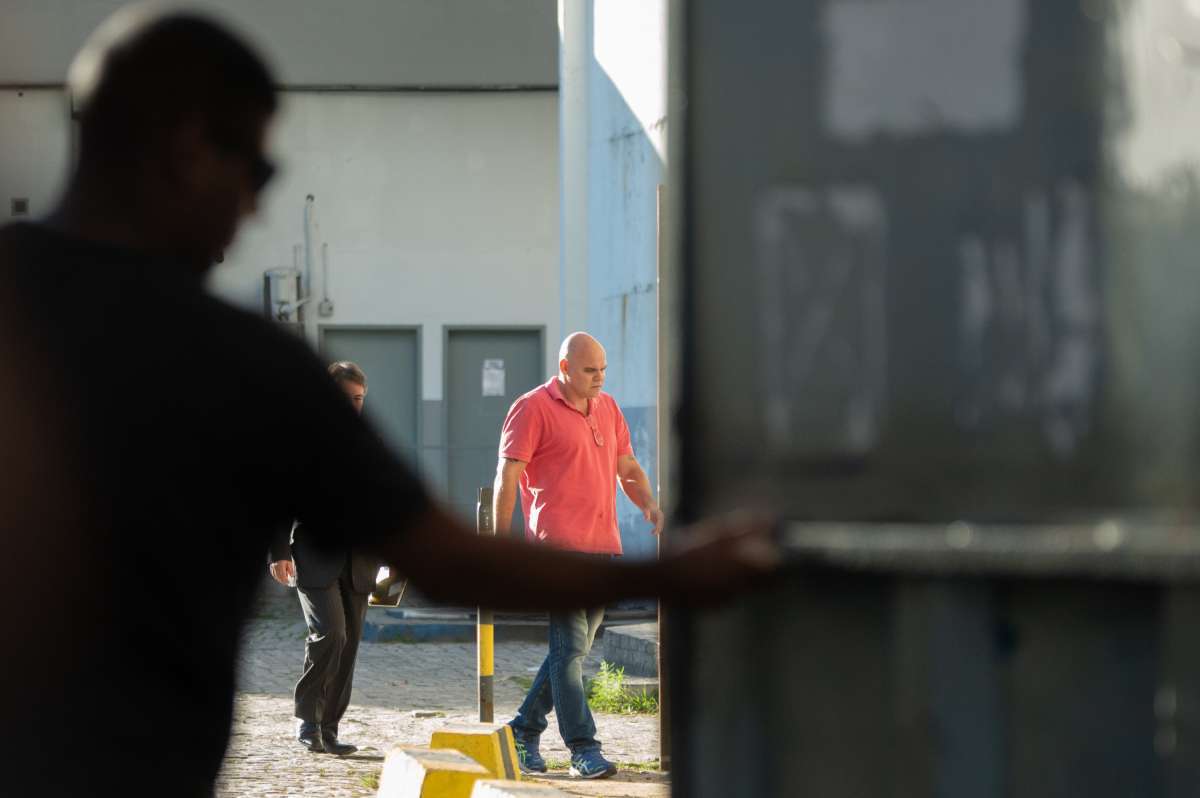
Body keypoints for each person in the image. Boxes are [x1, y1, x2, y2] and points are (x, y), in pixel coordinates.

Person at [0, 7, 777, 796]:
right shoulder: (245, 366)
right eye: (258, 171)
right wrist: (679, 576)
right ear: (190, 148)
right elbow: (451, 559)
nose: (256, 209)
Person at [495, 332, 662, 779]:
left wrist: (648, 503)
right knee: (569, 650)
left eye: (603, 369)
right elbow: (507, 477)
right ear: (565, 368)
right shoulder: (532, 407)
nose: (600, 378)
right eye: (591, 370)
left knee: (571, 652)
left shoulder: (607, 408)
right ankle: (583, 749)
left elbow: (626, 466)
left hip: (603, 548)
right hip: (557, 553)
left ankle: (522, 730)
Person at [268, 361, 381, 755]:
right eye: (346, 398)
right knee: (331, 632)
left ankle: (329, 728)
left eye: (359, 399)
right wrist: (278, 552)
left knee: (349, 646)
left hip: (361, 559)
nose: (353, 406)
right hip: (314, 556)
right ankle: (307, 719)